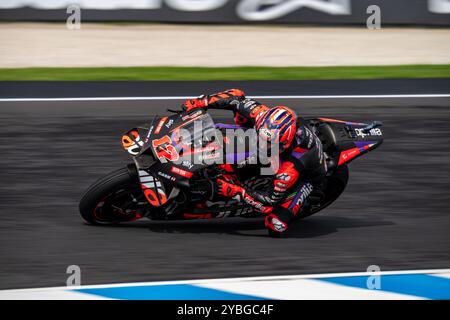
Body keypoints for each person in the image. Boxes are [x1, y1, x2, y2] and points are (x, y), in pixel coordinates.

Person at [182, 89, 327, 235]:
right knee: (230, 128)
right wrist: (201, 102)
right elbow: (236, 96)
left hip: (307, 176)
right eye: (262, 138)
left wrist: (234, 191)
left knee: (276, 224)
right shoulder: (262, 115)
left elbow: (269, 202)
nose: (263, 144)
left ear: (285, 143)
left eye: (269, 143)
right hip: (276, 150)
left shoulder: (290, 167)